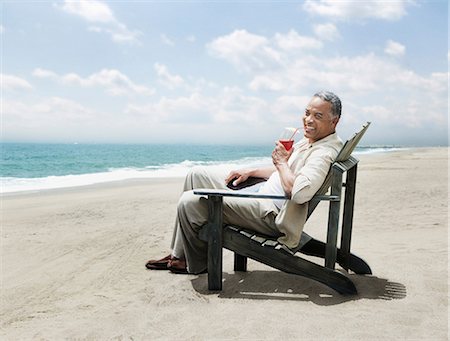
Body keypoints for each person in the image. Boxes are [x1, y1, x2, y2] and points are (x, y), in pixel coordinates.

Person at [146, 91, 343, 274]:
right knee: (196, 174)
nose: (308, 120)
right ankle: (179, 255)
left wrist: (282, 162)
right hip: (262, 194)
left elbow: (299, 193)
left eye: (317, 116)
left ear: (334, 122)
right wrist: (253, 171)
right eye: (307, 113)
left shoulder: (323, 153)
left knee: (189, 202)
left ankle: (195, 263)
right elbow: (286, 173)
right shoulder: (313, 140)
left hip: (270, 214)